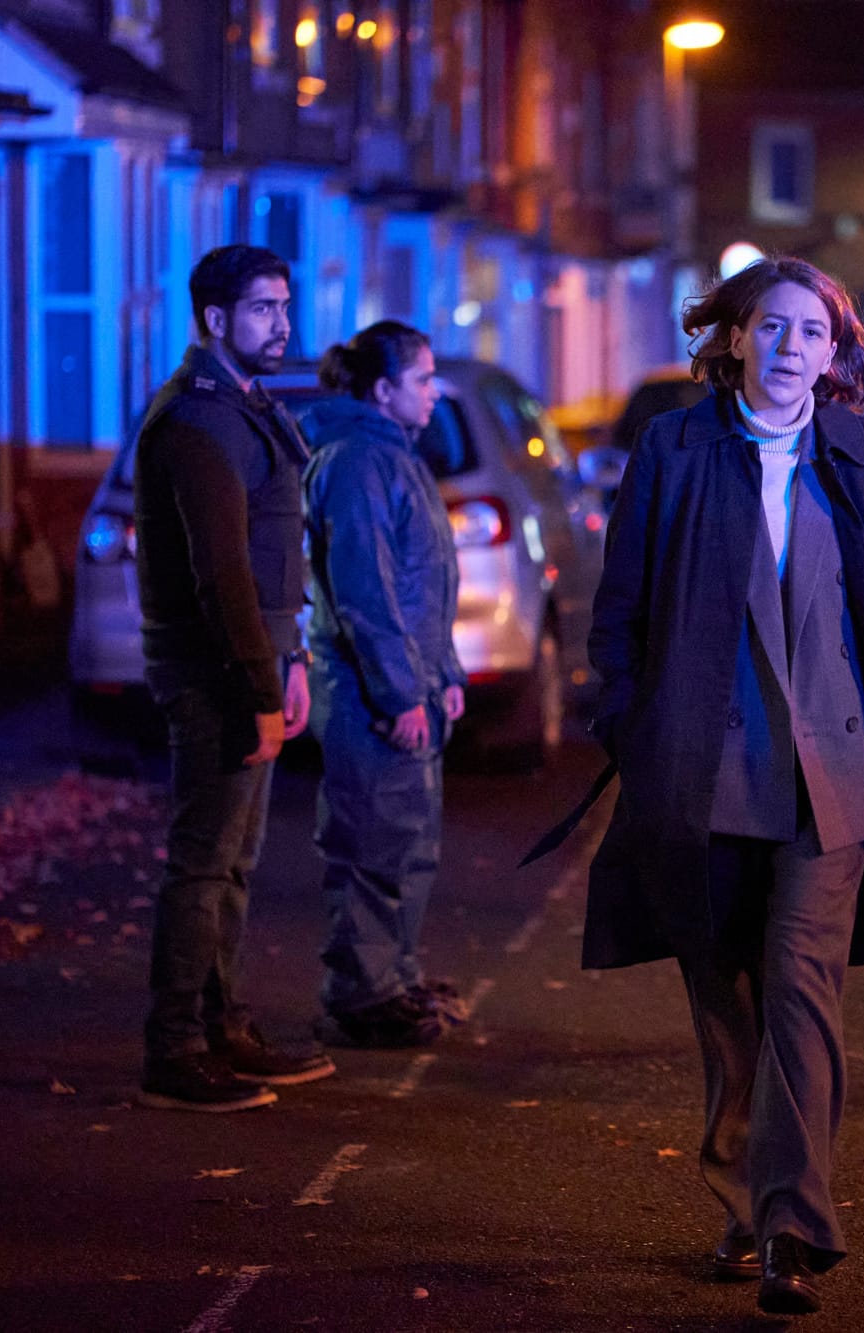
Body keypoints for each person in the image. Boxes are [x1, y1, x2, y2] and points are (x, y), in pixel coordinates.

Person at [582, 255, 864, 1317]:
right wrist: (624, 720)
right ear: (736, 338)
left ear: (835, 352)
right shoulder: (672, 448)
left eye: (813, 331)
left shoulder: (863, 453)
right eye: (772, 327)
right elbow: (617, 611)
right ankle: (741, 1200)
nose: (792, 346)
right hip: (702, 775)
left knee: (803, 994)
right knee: (728, 1006)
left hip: (832, 777)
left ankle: (790, 1228)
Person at [132, 245, 335, 1111]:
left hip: (257, 660)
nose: (281, 324)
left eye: (285, 306)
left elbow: (271, 552)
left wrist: (290, 662)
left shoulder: (246, 406)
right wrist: (259, 684)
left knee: (235, 862)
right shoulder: (198, 419)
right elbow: (222, 570)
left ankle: (223, 1027)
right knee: (203, 862)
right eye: (262, 309)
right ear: (214, 318)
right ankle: (175, 1048)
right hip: (213, 670)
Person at [300, 322, 467, 1048]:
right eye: (422, 379)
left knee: (407, 842)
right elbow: (365, 592)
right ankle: (362, 995)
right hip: (371, 693)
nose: (433, 393)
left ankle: (393, 978)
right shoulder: (361, 461)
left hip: (409, 683)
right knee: (372, 844)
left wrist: (446, 673)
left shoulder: (392, 454)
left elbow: (424, 583)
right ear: (382, 389)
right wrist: (399, 694)